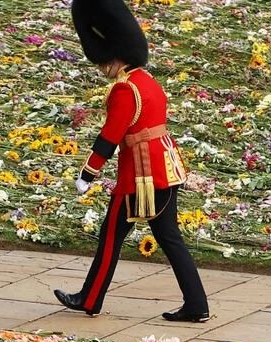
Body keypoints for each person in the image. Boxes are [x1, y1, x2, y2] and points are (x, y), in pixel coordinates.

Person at [54, 0, 209, 322]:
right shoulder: (147, 81)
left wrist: (88, 173)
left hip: (140, 175)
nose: (102, 68)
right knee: (169, 239)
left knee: (111, 236)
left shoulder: (125, 90)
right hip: (164, 169)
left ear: (115, 56)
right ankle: (197, 304)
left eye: (104, 62)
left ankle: (90, 299)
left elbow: (110, 136)